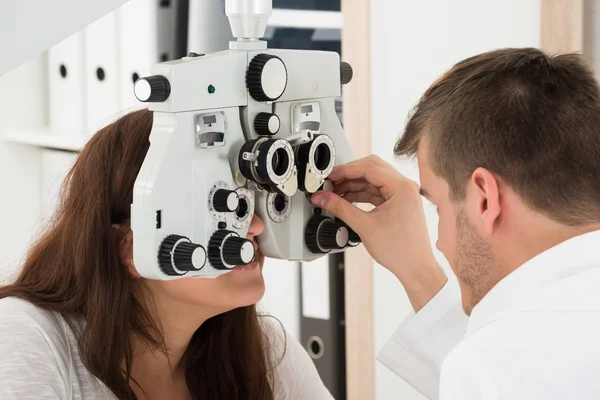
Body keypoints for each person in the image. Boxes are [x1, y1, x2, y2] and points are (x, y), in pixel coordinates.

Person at [312, 48, 600, 399]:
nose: (439, 243)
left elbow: (501, 371)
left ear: (484, 198)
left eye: (437, 206)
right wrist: (415, 269)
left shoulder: (500, 361)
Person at [0, 109, 332, 400]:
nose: (256, 227)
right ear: (130, 247)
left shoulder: (262, 350)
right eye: (218, 209)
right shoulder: (23, 338)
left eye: (248, 203)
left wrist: (386, 252)